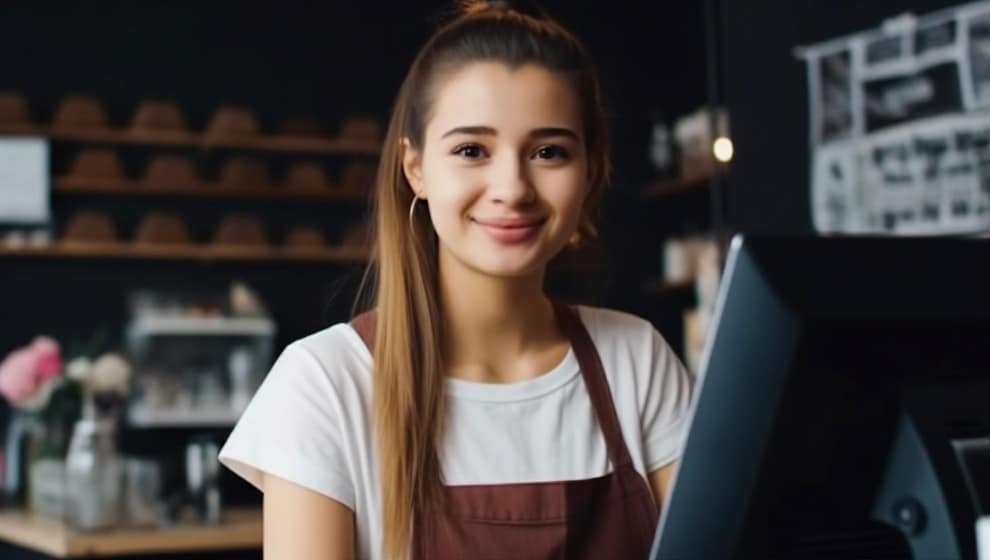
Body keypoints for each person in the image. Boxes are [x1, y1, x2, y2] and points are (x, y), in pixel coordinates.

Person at [218, 1, 692, 558]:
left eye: (549, 151)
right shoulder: (325, 384)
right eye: (472, 150)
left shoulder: (635, 362)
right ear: (415, 168)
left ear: (590, 171)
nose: (512, 187)